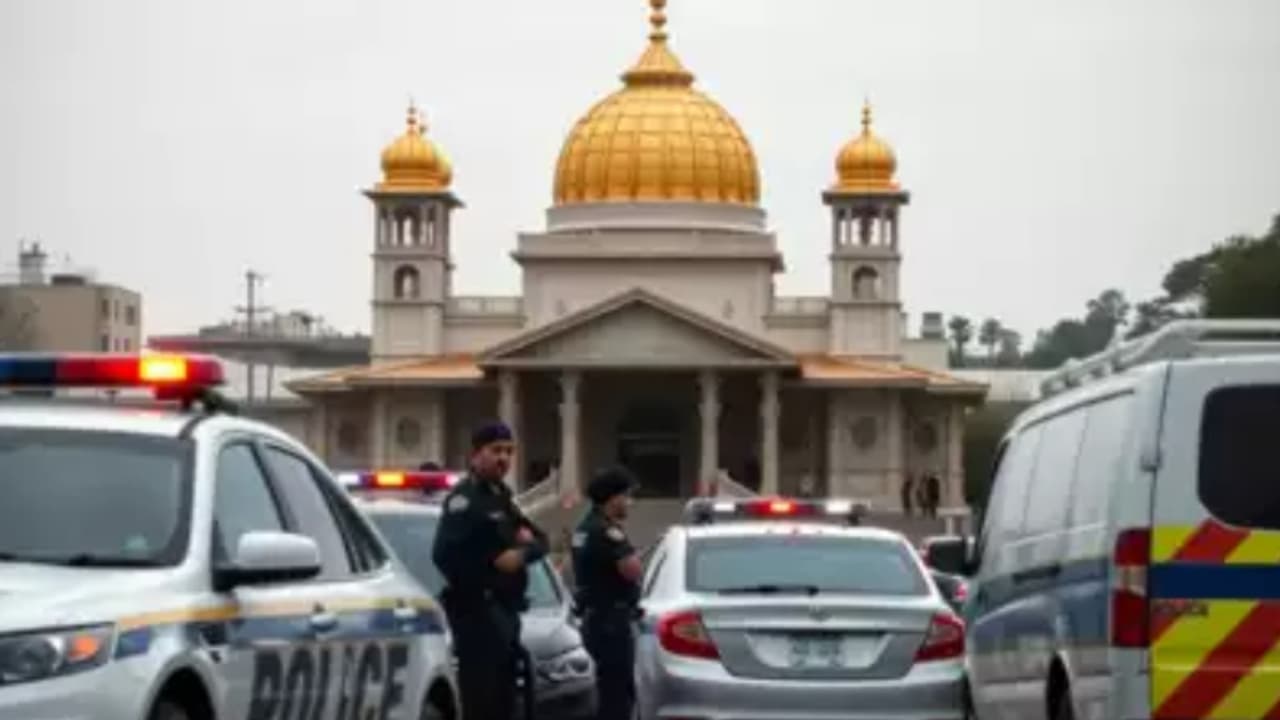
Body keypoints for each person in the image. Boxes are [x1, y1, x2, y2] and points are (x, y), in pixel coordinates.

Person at [432, 421, 548, 720]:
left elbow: (542, 541)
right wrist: (487, 568)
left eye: (509, 452)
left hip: (505, 613)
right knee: (482, 702)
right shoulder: (464, 500)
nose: (504, 458)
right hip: (477, 615)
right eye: (496, 451)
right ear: (475, 455)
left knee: (505, 702)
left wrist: (519, 555)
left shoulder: (502, 497)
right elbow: (444, 556)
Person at [572, 466, 645, 720]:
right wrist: (635, 555)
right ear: (612, 498)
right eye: (626, 496)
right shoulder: (606, 531)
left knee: (601, 690)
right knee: (616, 692)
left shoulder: (583, 528)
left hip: (593, 620)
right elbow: (631, 570)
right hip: (611, 623)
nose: (629, 502)